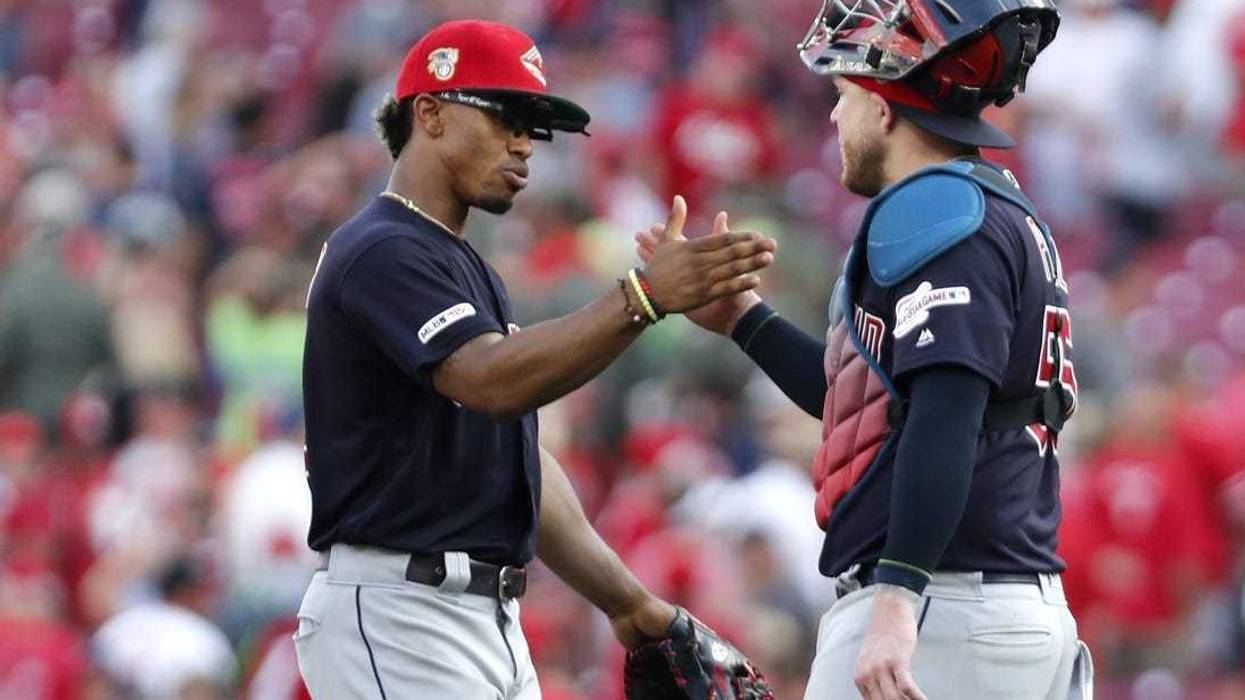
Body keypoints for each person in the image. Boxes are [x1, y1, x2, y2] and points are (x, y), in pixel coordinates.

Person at [295, 19, 776, 699]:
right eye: (505, 117)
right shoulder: (381, 247)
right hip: (399, 610)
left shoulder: (459, 265)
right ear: (428, 112)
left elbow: (514, 453)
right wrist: (642, 297)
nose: (525, 144)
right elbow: (490, 383)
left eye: (533, 125)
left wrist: (631, 605)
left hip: (476, 613)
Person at [638, 2, 1093, 698]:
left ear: (884, 110)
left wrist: (897, 597)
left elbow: (946, 413)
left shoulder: (936, 209)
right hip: (981, 606)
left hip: (945, 607)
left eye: (845, 94)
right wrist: (743, 321)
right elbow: (874, 410)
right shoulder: (982, 206)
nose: (833, 117)